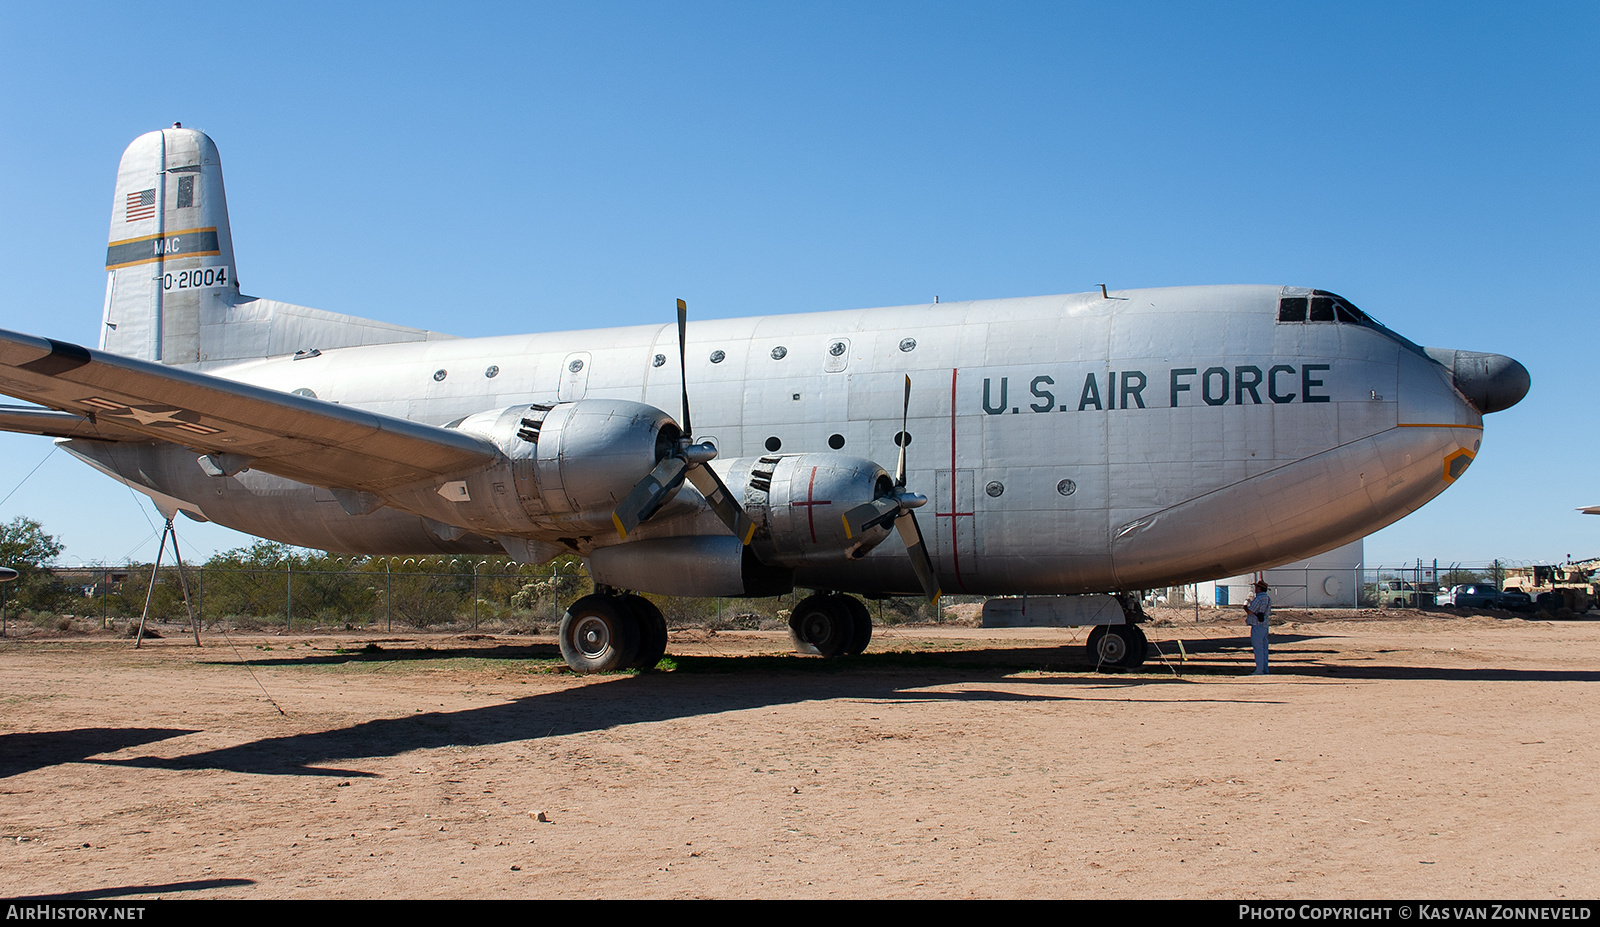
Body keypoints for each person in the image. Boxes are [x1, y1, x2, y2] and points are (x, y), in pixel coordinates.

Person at [1243, 579, 1271, 675]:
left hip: (1257, 625)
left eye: (1256, 587)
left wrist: (1245, 605)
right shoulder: (1267, 598)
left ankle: (1259, 669)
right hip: (1264, 625)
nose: (1255, 588)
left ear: (1260, 588)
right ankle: (1265, 669)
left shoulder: (1258, 599)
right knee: (1264, 648)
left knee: (1258, 648)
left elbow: (1251, 611)